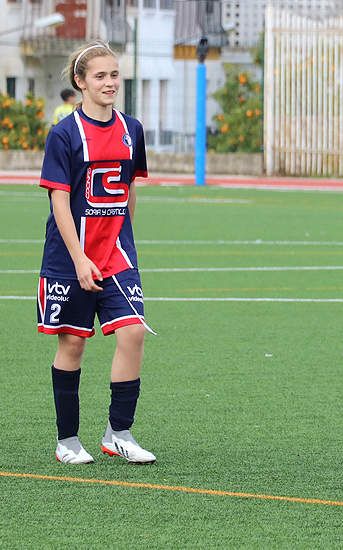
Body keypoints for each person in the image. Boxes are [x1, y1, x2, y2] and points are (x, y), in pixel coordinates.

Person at [38, 41, 156, 465]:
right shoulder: (64, 134)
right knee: (73, 345)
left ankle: (118, 433)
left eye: (114, 75)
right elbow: (58, 201)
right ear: (80, 81)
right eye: (100, 76)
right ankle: (67, 441)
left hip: (116, 254)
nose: (109, 83)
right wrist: (79, 258)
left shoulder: (132, 129)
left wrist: (122, 240)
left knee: (134, 333)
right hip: (69, 257)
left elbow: (127, 190)